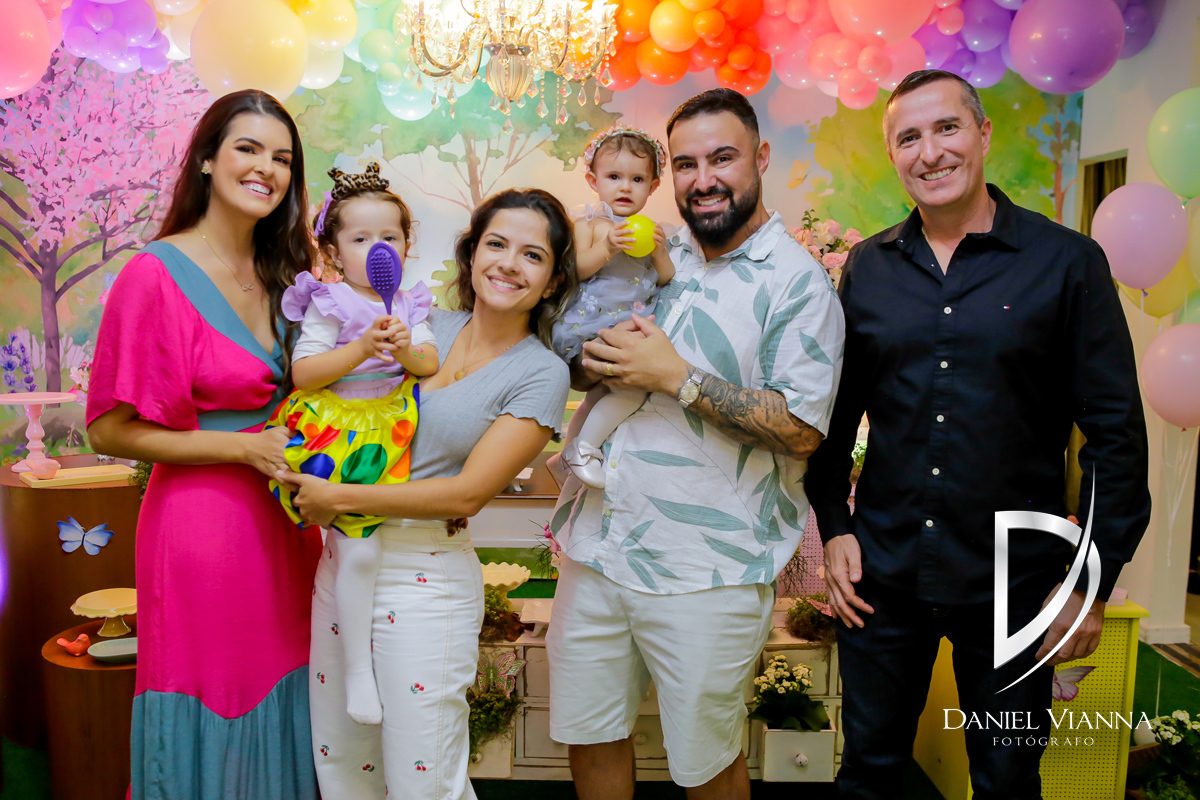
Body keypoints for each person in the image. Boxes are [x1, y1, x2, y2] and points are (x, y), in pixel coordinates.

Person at [805, 69, 1151, 800]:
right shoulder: (869, 267)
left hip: (1014, 584)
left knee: (1005, 780)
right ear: (893, 155)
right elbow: (832, 419)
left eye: (947, 128)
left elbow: (1115, 438)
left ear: (983, 134)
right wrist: (834, 525)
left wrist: (1087, 585)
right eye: (908, 137)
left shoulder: (1067, 263)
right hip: (883, 577)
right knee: (868, 774)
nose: (929, 152)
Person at [547, 88, 844, 800]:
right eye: (685, 164)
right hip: (596, 549)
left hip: (708, 571)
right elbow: (584, 358)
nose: (703, 179)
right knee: (590, 738)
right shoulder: (655, 251)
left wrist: (677, 378)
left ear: (760, 158)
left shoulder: (797, 282)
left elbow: (802, 427)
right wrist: (588, 361)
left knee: (706, 765)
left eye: (722, 158)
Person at [276, 188, 575, 799]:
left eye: (533, 255)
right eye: (496, 244)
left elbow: (466, 494)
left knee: (423, 778)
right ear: (471, 254)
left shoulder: (541, 372)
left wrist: (339, 499)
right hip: (343, 561)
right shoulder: (422, 322)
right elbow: (329, 388)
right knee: (344, 767)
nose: (508, 264)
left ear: (552, 281)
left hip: (425, 577)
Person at [86, 90, 323, 799]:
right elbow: (107, 429)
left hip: (290, 526)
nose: (266, 168)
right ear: (207, 161)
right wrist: (242, 451)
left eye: (282, 158)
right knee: (215, 687)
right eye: (248, 148)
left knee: (294, 683)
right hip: (202, 529)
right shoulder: (154, 273)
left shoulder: (291, 273)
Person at [266, 161, 439, 726]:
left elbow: (428, 362)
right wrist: (362, 347)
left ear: (407, 245)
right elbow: (305, 372)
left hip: (390, 426)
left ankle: (373, 656)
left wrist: (405, 348)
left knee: (376, 546)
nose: (377, 248)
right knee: (360, 550)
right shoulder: (331, 302)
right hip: (338, 429)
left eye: (390, 237)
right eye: (360, 239)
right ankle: (358, 671)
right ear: (334, 251)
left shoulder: (409, 303)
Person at [551, 124, 674, 488]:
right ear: (594, 180)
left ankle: (566, 455)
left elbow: (666, 278)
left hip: (629, 323)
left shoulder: (651, 229)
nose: (625, 187)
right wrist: (606, 247)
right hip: (592, 323)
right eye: (614, 177)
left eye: (637, 179)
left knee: (604, 394)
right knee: (631, 391)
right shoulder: (590, 224)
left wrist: (660, 253)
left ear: (653, 186)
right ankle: (584, 449)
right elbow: (574, 270)